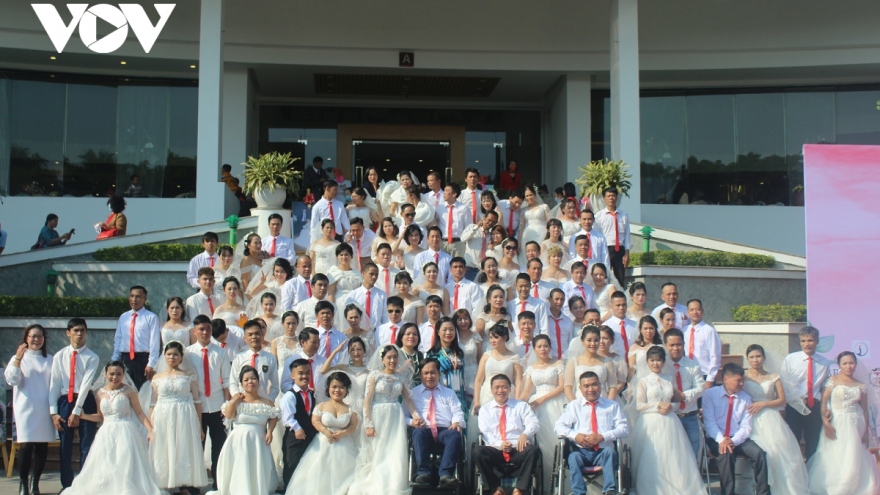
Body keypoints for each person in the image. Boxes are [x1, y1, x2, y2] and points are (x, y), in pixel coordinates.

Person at [62, 361, 164, 495]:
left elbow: (139, 413)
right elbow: (101, 417)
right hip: (106, 432)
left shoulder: (129, 391)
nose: (114, 377)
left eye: (118, 374)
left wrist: (150, 429)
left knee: (124, 462)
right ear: (105, 374)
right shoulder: (100, 393)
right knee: (106, 464)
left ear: (123, 375)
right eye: (111, 374)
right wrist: (84, 416)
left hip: (126, 431)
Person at [629, 346, 704, 495]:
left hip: (670, 421)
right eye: (652, 360)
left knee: (673, 456)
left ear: (663, 361)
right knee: (652, 456)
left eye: (658, 360)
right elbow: (640, 406)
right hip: (650, 423)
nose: (655, 363)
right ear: (647, 362)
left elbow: (676, 402)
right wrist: (658, 405)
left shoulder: (670, 379)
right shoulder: (643, 381)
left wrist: (670, 406)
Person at [349, 345, 423, 495]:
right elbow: (367, 401)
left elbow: (408, 399)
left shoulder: (400, 377)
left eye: (395, 357)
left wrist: (416, 416)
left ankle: (393, 485)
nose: (393, 360)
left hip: (395, 416)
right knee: (379, 452)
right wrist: (368, 423)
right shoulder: (374, 376)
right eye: (389, 357)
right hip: (378, 416)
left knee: (395, 451)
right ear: (382, 359)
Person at [807, 351, 880, 495]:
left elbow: (865, 410)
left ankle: (856, 486)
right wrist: (825, 422)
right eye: (845, 363)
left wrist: (866, 432)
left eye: (851, 363)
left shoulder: (861, 385)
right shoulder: (833, 380)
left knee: (854, 454)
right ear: (839, 365)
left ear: (856, 364)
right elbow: (824, 401)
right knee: (837, 453)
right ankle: (837, 485)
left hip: (857, 423)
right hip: (837, 422)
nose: (848, 366)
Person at [743, 344, 809, 495]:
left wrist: (764, 403)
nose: (755, 360)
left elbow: (782, 401)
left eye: (758, 356)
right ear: (747, 359)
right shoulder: (743, 377)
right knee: (760, 450)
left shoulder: (773, 377)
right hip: (750, 418)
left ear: (764, 358)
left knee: (778, 450)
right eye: (752, 357)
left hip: (771, 418)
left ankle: (781, 488)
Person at [208, 366, 281, 495]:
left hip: (258, 441)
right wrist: (234, 401)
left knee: (256, 467)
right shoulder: (237, 401)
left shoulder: (267, 403)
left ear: (258, 382)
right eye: (246, 380)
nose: (250, 382)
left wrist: (270, 431)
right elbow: (229, 416)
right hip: (238, 441)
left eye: (253, 378)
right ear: (241, 383)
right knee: (240, 467)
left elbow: (273, 417)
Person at [555, 371, 630, 495]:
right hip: (581, 452)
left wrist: (603, 436)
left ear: (600, 386)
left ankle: (609, 490)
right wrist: (575, 436)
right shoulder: (574, 406)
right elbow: (558, 426)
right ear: (580, 388)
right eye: (586, 386)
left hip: (603, 451)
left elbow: (624, 429)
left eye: (594, 385)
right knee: (573, 457)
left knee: (610, 452)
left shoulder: (612, 406)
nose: (591, 389)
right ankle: (578, 492)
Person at [285, 371, 360, 495]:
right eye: (334, 387)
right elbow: (315, 421)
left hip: (345, 444)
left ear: (346, 390)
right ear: (328, 388)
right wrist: (326, 431)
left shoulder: (350, 408)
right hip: (323, 442)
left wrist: (343, 433)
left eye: (342, 387)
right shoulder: (321, 406)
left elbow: (353, 425)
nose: (338, 390)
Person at [149, 342, 207, 494]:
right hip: (163, 417)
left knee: (183, 448)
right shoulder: (157, 377)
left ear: (181, 357)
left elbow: (196, 400)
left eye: (175, 354)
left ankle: (185, 487)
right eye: (169, 354)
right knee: (165, 448)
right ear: (164, 356)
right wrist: (150, 427)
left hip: (184, 416)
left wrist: (199, 425)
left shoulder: (188, 375)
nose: (172, 357)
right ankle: (165, 485)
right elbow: (152, 403)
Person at [703, 363, 771, 495]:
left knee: (759, 454)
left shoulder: (745, 398)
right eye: (738, 380)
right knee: (725, 454)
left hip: (738, 438)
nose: (741, 384)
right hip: (717, 438)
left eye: (743, 380)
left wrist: (733, 441)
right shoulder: (710, 394)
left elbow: (746, 426)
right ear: (726, 379)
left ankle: (763, 492)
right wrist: (722, 441)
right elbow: (709, 421)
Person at [48, 318, 99, 491]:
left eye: (82, 331)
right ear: (68, 332)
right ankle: (67, 485)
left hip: (85, 401)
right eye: (76, 330)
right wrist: (54, 412)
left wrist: (77, 411)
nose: (79, 334)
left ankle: (83, 483)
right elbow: (54, 384)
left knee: (86, 444)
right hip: (64, 400)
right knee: (65, 445)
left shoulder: (92, 357)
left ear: (86, 333)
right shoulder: (59, 356)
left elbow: (85, 386)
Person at [5, 325, 54, 495]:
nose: (36, 339)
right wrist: (18, 359)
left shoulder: (50, 359)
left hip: (44, 408)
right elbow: (12, 380)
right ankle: (23, 483)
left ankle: (35, 483)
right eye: (33, 336)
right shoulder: (18, 358)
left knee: (41, 445)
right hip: (25, 408)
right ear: (26, 338)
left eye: (40, 336)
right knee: (25, 445)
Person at [473, 374, 540, 495]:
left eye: (504, 387)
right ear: (491, 389)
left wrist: (525, 434)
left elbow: (534, 423)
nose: (500, 391)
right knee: (477, 452)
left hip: (517, 448)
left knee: (532, 450)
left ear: (509, 389)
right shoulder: (485, 410)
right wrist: (500, 444)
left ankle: (519, 489)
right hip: (495, 449)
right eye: (497, 387)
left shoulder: (521, 406)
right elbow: (485, 432)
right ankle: (496, 488)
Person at [187, 316, 231, 491]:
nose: (205, 332)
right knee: (197, 446)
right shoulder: (188, 353)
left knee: (218, 447)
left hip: (217, 405)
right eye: (201, 329)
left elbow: (227, 381)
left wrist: (226, 405)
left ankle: (218, 485)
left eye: (208, 329)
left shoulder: (220, 352)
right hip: (197, 408)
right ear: (195, 331)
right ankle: (194, 485)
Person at [518, 334, 566, 494]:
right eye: (539, 346)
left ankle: (558, 485)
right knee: (540, 444)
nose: (543, 349)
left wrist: (542, 399)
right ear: (534, 349)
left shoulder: (558, 364)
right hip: (536, 405)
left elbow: (561, 386)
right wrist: (517, 404)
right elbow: (526, 391)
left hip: (554, 402)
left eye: (546, 346)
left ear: (550, 347)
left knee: (555, 443)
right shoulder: (531, 369)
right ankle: (540, 484)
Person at [407, 358, 465, 488]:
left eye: (433, 372)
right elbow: (403, 416)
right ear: (420, 375)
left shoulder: (449, 393)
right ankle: (423, 473)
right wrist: (412, 421)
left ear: (439, 373)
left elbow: (458, 411)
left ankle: (445, 475)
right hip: (423, 429)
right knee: (417, 433)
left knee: (455, 434)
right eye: (425, 373)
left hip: (444, 430)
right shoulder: (413, 393)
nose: (429, 376)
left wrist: (457, 422)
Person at [780, 325, 831, 460]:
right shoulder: (791, 359)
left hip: (814, 405)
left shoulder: (824, 362)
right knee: (793, 440)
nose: (807, 344)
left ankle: (811, 471)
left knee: (813, 441)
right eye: (803, 341)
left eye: (810, 340)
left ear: (817, 341)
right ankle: (795, 473)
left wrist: (827, 407)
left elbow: (825, 387)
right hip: (794, 405)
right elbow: (784, 383)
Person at [661, 328, 705, 459]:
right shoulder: (662, 367)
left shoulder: (693, 366)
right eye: (672, 345)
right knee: (673, 452)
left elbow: (701, 388)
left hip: (690, 416)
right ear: (665, 346)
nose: (676, 348)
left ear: (683, 344)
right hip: (670, 416)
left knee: (693, 450)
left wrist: (684, 396)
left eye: (679, 344)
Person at [112, 285, 161, 390]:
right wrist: (115, 360)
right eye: (132, 296)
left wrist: (151, 364)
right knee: (124, 390)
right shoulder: (123, 317)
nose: (134, 299)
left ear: (144, 299)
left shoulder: (151, 317)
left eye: (138, 296)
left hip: (142, 359)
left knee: (142, 391)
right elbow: (118, 340)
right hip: (125, 359)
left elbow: (154, 343)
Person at [279, 359, 317, 487]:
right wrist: (297, 428)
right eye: (300, 373)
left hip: (309, 436)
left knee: (307, 466)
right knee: (292, 465)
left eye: (307, 373)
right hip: (294, 437)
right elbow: (287, 417)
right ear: (292, 376)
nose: (304, 376)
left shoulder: (312, 394)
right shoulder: (289, 396)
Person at [473, 323, 523, 415]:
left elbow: (519, 381)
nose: (492, 340)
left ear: (504, 338)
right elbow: (479, 380)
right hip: (487, 393)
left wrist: (517, 400)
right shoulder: (486, 356)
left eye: (496, 337)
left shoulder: (514, 357)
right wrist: (476, 400)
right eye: (491, 337)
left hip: (506, 393)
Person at [565, 325, 620, 401]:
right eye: (589, 340)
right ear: (582, 341)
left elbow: (613, 386)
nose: (593, 344)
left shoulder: (607, 361)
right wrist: (575, 406)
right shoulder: (573, 361)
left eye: (596, 340)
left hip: (603, 402)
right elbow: (568, 387)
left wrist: (608, 404)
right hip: (580, 402)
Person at [426, 317, 468, 416]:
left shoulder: (459, 352)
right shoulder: (432, 354)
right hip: (442, 396)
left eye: (452, 329)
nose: (448, 333)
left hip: (460, 395)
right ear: (438, 332)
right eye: (445, 330)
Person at [229, 320, 279, 400]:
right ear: (245, 338)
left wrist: (269, 400)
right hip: (242, 402)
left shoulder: (270, 358)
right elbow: (232, 382)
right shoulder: (239, 358)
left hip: (262, 403)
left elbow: (275, 386)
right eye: (250, 334)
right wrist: (238, 397)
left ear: (262, 335)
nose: (254, 337)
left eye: (257, 333)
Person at [594, 188, 630, 287]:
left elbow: (627, 236)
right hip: (606, 249)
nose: (611, 198)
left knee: (620, 277)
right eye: (608, 196)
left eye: (613, 196)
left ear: (617, 197)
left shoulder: (624, 215)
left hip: (620, 250)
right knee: (605, 275)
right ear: (604, 198)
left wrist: (627, 253)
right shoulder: (599, 216)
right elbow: (596, 236)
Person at [682, 299, 721, 387]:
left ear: (702, 311)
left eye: (698, 309)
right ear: (687, 312)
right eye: (692, 310)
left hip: (704, 374)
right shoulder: (684, 330)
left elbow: (715, 356)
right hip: (688, 374)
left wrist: (710, 379)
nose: (695, 312)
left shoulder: (709, 331)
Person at [325, 243, 363, 329]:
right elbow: (331, 293)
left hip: (355, 302)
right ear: (337, 257)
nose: (344, 257)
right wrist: (332, 309)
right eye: (341, 255)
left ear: (351, 256)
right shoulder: (333, 271)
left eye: (346, 254)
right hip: (340, 304)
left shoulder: (357, 272)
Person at [345, 263, 388, 329]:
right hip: (358, 331)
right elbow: (348, 316)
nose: (374, 277)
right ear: (363, 273)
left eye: (376, 275)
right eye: (371, 274)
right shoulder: (353, 295)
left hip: (377, 332)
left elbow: (385, 317)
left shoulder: (382, 295)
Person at [507, 273, 549, 339]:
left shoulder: (540, 304)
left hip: (534, 343)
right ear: (516, 286)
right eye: (521, 286)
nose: (523, 289)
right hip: (516, 344)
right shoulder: (510, 305)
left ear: (530, 286)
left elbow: (544, 328)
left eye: (526, 286)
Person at [435, 182, 470, 259]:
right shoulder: (439, 208)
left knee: (458, 268)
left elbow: (468, 228)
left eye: (447, 190)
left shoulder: (464, 208)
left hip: (458, 243)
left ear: (454, 194)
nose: (444, 193)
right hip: (443, 243)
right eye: (444, 190)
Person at [518, 185, 550, 266]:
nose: (529, 197)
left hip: (542, 234)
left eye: (531, 194)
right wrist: (519, 241)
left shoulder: (544, 207)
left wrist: (548, 236)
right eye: (527, 196)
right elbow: (521, 227)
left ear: (535, 194)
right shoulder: (523, 210)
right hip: (527, 235)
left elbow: (549, 223)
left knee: (541, 254)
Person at [546, 289, 574, 361]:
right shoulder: (545, 319)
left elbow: (570, 342)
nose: (559, 302)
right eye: (557, 299)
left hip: (565, 359)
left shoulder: (568, 321)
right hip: (549, 359)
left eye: (562, 299)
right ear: (549, 299)